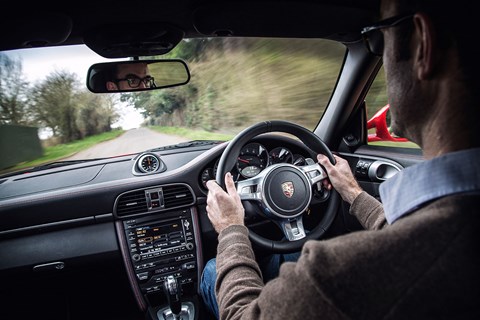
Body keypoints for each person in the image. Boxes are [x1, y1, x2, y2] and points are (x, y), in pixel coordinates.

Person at [200, 0, 480, 319]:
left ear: (423, 45)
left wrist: (232, 228)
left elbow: (240, 313)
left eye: (379, 38)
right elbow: (412, 235)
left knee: (211, 270)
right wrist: (354, 193)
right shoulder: (447, 233)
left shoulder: (331, 280)